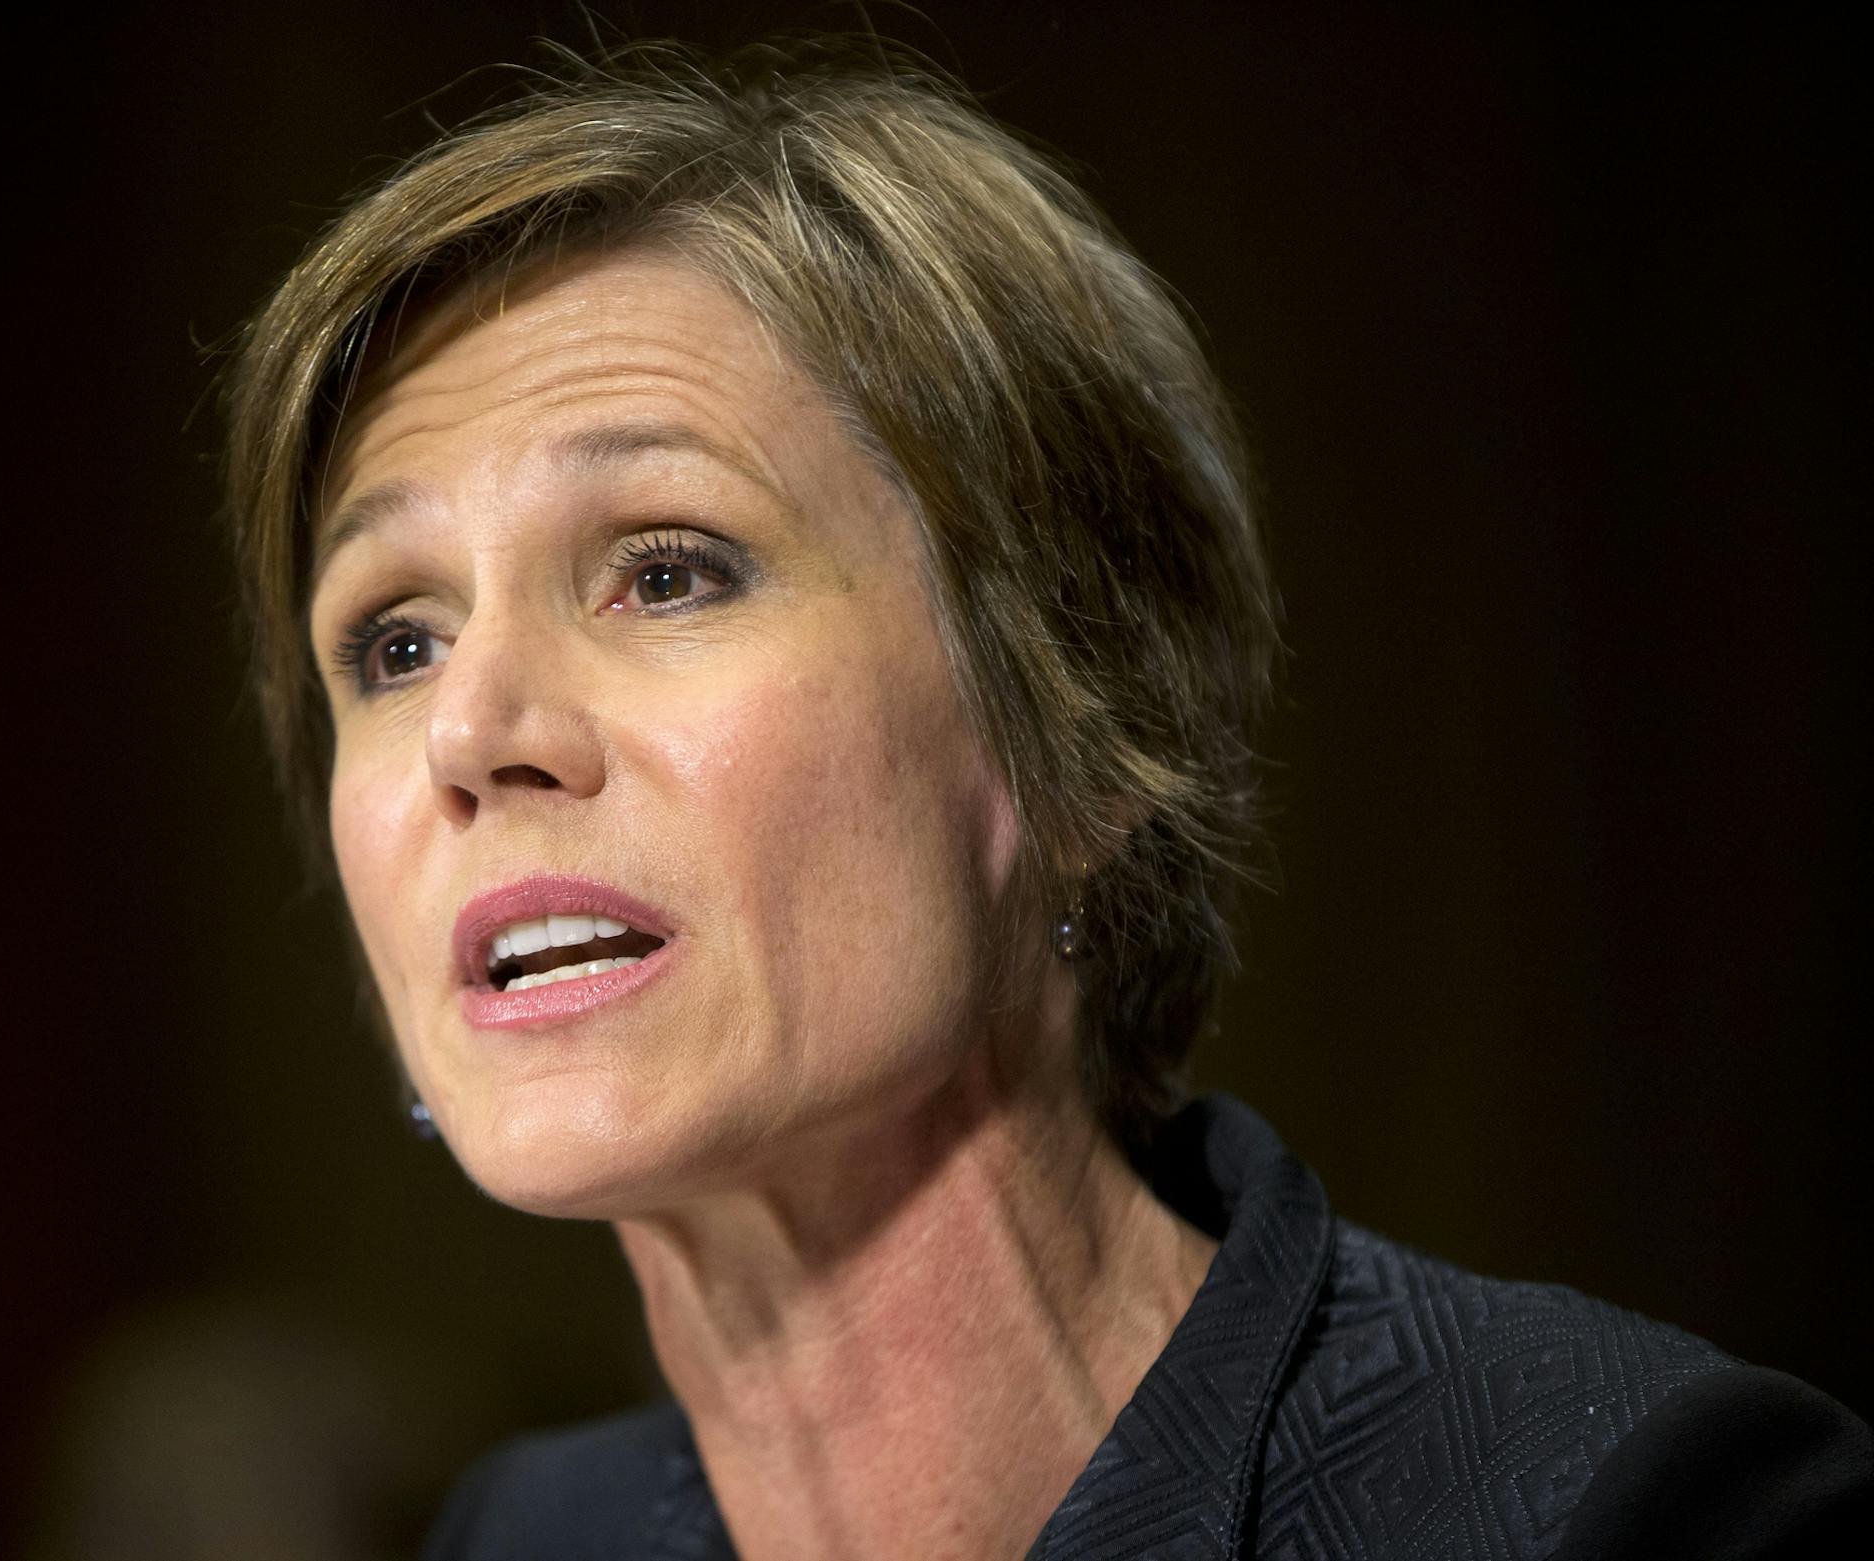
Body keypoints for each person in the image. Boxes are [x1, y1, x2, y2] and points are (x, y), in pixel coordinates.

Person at [221, 38, 1870, 1559]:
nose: (474, 729)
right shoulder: (523, 1537)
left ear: (1075, 732)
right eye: (397, 637)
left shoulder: (1624, 1507)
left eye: (665, 570)